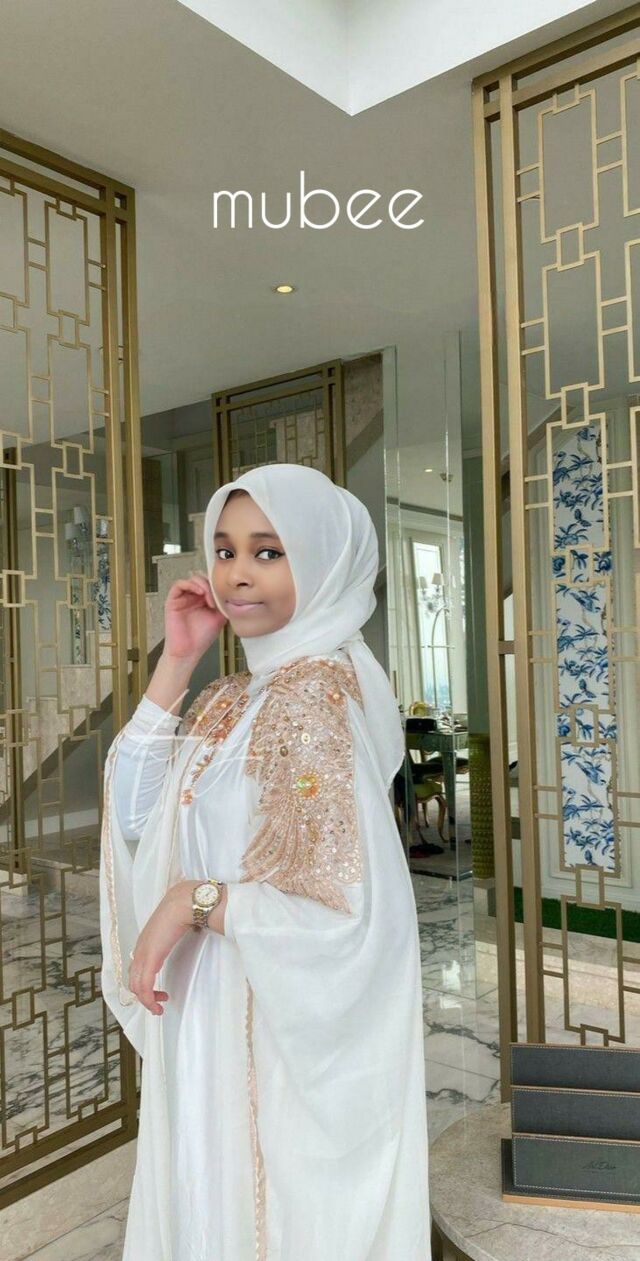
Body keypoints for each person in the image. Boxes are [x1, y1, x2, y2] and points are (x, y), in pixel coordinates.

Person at [99, 462, 431, 1261]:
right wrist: (178, 661)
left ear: (320, 562)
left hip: (270, 1030)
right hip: (210, 1014)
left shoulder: (316, 698)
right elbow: (136, 812)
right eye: (225, 550)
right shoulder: (234, 697)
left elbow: (345, 914)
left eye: (268, 552)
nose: (237, 573)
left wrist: (195, 900)